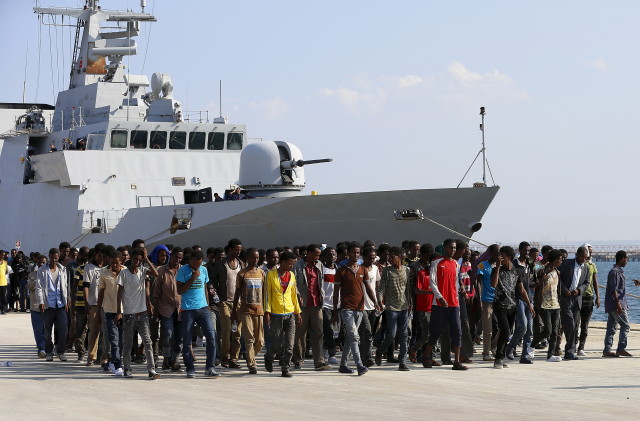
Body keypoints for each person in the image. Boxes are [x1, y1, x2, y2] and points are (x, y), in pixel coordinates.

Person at [332, 242, 379, 376]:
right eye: (353, 252)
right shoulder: (342, 270)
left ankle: (343, 365)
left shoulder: (362, 270)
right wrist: (335, 312)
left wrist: (375, 302)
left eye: (358, 253)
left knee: (350, 338)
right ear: (348, 253)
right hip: (346, 309)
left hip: (360, 308)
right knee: (354, 337)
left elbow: (369, 288)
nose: (356, 255)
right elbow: (336, 293)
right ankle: (359, 364)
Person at [423, 239, 467, 371]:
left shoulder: (456, 264)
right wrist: (440, 297)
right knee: (435, 332)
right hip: (439, 304)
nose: (452, 250)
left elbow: (455, 283)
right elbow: (432, 282)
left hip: (454, 303)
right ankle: (426, 355)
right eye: (450, 248)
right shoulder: (436, 263)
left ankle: (457, 362)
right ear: (445, 248)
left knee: (457, 331)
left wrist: (459, 294)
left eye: (454, 248)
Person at [176, 250, 220, 378]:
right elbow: (180, 290)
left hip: (203, 308)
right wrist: (192, 278)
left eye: (199, 264)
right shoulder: (183, 271)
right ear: (190, 260)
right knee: (187, 340)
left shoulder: (204, 270)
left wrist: (207, 305)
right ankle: (190, 368)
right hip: (187, 309)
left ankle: (210, 367)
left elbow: (205, 287)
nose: (197, 267)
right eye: (195, 264)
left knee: (211, 336)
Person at [490, 246, 535, 369]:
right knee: (504, 330)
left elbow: (521, 290)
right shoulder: (496, 270)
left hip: (512, 306)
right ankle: (498, 358)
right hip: (500, 305)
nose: (499, 258)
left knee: (508, 332)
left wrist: (529, 304)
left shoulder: (516, 271)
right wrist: (498, 266)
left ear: (508, 257)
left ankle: (502, 356)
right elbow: (493, 284)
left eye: (502, 256)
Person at [119, 248, 160, 379]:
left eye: (140, 260)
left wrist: (147, 258)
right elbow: (119, 293)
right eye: (135, 259)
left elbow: (156, 274)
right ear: (131, 258)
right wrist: (118, 311)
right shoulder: (123, 273)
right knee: (128, 343)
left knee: (148, 342)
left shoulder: (143, 271)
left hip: (142, 313)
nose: (137, 262)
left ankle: (151, 370)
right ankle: (127, 369)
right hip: (129, 314)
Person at [264, 251, 302, 378]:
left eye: (293, 264)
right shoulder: (270, 275)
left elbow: (293, 295)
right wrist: (267, 312)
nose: (292, 266)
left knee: (290, 345)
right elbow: (267, 295)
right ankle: (269, 357)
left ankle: (285, 367)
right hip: (276, 314)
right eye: (290, 264)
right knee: (276, 344)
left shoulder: (291, 275)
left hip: (290, 313)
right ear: (283, 262)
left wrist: (297, 312)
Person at [292, 244, 330, 371]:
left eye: (319, 255)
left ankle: (319, 362)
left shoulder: (319, 265)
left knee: (318, 333)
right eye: (315, 254)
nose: (317, 257)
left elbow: (321, 282)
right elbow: (294, 283)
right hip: (302, 304)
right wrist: (298, 296)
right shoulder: (297, 266)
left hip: (316, 303)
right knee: (300, 333)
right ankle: (298, 360)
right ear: (307, 253)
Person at [210, 238, 246, 368]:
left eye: (240, 250)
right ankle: (224, 357)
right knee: (226, 330)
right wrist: (212, 288)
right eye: (236, 249)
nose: (238, 252)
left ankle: (234, 359)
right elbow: (212, 280)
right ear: (230, 249)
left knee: (237, 332)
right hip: (225, 301)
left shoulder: (241, 264)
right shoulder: (221, 264)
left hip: (239, 302)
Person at [376, 246, 411, 371]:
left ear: (399, 257)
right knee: (391, 335)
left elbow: (407, 289)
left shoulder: (407, 270)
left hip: (404, 307)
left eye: (392, 256)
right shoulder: (387, 271)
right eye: (389, 256)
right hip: (391, 308)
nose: (389, 259)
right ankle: (380, 352)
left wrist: (410, 304)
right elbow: (382, 288)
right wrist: (379, 300)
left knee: (404, 336)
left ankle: (402, 362)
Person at [231, 248, 266, 374]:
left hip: (259, 310)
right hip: (246, 310)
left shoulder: (262, 273)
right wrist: (234, 311)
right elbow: (237, 294)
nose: (255, 260)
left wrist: (267, 311)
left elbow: (265, 293)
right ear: (247, 258)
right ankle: (252, 364)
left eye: (257, 258)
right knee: (249, 338)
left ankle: (250, 356)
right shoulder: (242, 274)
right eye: (253, 257)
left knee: (260, 341)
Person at [34, 248, 70, 362]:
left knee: (64, 330)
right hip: (48, 304)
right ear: (49, 257)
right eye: (52, 258)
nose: (54, 260)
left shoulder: (63, 269)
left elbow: (66, 286)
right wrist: (41, 301)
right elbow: (39, 287)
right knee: (47, 331)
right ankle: (49, 352)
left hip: (60, 304)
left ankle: (61, 351)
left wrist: (68, 299)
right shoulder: (42, 270)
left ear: (58, 257)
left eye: (56, 258)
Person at [154, 247, 183, 372]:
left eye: (180, 258)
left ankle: (175, 360)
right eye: (176, 257)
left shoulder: (184, 270)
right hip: (166, 308)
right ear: (171, 256)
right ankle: (166, 359)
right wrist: (156, 310)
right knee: (168, 335)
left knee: (179, 336)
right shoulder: (161, 271)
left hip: (181, 308)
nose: (178, 260)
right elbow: (156, 292)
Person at [558, 246, 590, 360]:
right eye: (582, 257)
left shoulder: (586, 268)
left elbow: (587, 283)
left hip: (577, 300)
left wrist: (579, 290)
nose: (584, 259)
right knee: (569, 325)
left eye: (586, 258)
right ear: (577, 255)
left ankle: (570, 352)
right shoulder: (566, 264)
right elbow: (558, 277)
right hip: (566, 298)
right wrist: (564, 289)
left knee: (575, 326)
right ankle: (568, 351)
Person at [506, 241, 535, 364]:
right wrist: (529, 303)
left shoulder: (529, 264)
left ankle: (524, 355)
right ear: (520, 250)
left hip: (529, 298)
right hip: (518, 299)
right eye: (525, 250)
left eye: (529, 251)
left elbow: (530, 283)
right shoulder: (514, 265)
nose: (527, 253)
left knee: (529, 329)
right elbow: (520, 287)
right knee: (522, 326)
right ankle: (510, 347)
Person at [97, 250, 126, 376]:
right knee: (113, 340)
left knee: (122, 341)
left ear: (121, 262)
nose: (114, 265)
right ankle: (117, 364)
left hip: (125, 311)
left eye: (116, 263)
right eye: (112, 263)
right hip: (109, 310)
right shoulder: (103, 272)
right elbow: (101, 293)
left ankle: (116, 361)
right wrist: (98, 311)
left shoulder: (126, 271)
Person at [602, 250, 633, 358]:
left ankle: (607, 350)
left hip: (613, 304)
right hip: (616, 304)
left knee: (611, 327)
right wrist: (618, 304)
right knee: (625, 325)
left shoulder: (617, 271)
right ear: (622, 259)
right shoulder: (615, 272)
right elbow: (614, 290)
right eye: (627, 259)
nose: (627, 261)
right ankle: (621, 348)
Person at [534, 249, 563, 362]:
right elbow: (533, 284)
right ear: (555, 260)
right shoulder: (542, 271)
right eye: (560, 259)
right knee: (548, 330)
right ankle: (532, 345)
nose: (561, 261)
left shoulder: (558, 272)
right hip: (544, 305)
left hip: (556, 305)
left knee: (555, 332)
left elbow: (557, 289)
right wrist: (542, 280)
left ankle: (550, 355)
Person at [408, 243, 434, 363]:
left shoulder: (431, 267)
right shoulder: (414, 267)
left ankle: (428, 356)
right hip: (417, 302)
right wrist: (410, 303)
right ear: (422, 255)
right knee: (420, 331)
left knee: (430, 332)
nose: (428, 260)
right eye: (426, 256)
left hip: (430, 304)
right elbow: (410, 287)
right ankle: (416, 353)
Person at [83, 245, 106, 367]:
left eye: (103, 255)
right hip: (94, 304)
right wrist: (86, 302)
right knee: (94, 331)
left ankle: (104, 357)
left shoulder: (108, 268)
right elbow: (85, 286)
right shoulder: (89, 268)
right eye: (98, 255)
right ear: (95, 255)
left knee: (106, 332)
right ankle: (91, 356)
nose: (101, 257)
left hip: (106, 304)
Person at [576, 243, 600, 356]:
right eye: (588, 251)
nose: (590, 253)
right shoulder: (577, 265)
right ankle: (573, 344)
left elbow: (595, 282)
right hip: (577, 296)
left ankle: (581, 347)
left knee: (585, 324)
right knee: (575, 323)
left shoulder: (592, 265)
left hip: (589, 297)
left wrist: (598, 297)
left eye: (591, 251)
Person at [476, 244, 499, 361]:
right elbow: (478, 282)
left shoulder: (498, 266)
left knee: (503, 327)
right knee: (488, 328)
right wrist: (480, 298)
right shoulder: (482, 265)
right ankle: (486, 352)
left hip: (498, 301)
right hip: (486, 300)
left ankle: (494, 345)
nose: (498, 256)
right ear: (490, 253)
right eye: (496, 254)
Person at [359, 246, 380, 368]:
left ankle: (363, 355)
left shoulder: (375, 269)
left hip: (373, 306)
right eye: (370, 258)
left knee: (369, 333)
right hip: (361, 306)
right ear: (364, 257)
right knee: (366, 332)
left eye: (373, 258)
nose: (372, 260)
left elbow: (377, 286)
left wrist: (378, 302)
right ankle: (367, 358)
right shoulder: (360, 269)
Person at [320, 247, 338, 365]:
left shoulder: (339, 270)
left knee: (337, 330)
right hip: (325, 304)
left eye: (334, 254)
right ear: (325, 256)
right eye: (329, 254)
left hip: (337, 305)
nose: (332, 257)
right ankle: (331, 354)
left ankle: (327, 347)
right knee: (329, 329)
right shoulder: (322, 270)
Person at [27, 255, 48, 357]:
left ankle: (47, 347)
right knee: (38, 328)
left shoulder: (50, 274)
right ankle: (41, 348)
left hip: (48, 306)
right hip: (35, 306)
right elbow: (30, 287)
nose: (41, 264)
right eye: (39, 263)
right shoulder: (32, 274)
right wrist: (38, 278)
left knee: (47, 328)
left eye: (44, 263)